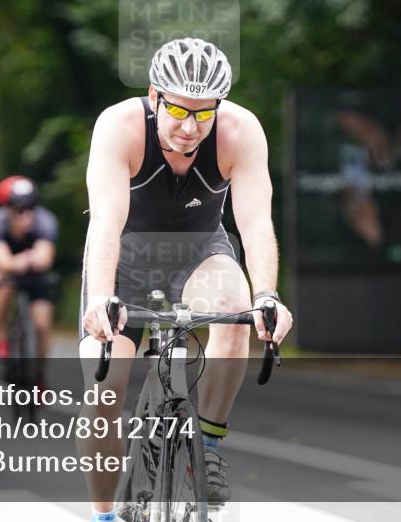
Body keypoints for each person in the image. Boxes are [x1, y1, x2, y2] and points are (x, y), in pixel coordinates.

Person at [78, 38, 295, 521]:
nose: (190, 127)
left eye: (204, 113)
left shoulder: (241, 131)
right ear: (155, 97)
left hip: (200, 253)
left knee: (237, 305)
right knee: (104, 392)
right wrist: (101, 299)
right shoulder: (120, 126)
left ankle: (210, 449)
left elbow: (257, 223)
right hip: (128, 259)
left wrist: (266, 296)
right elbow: (106, 222)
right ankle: (103, 514)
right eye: (178, 110)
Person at [0, 176, 59, 388]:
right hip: (8, 276)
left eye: (30, 207)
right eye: (18, 208)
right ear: (6, 208)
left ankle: (40, 377)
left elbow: (44, 260)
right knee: (3, 285)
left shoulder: (45, 221)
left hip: (35, 277)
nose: (26, 214)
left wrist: (21, 261)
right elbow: (2, 261)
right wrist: (23, 260)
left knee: (42, 325)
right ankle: (3, 337)